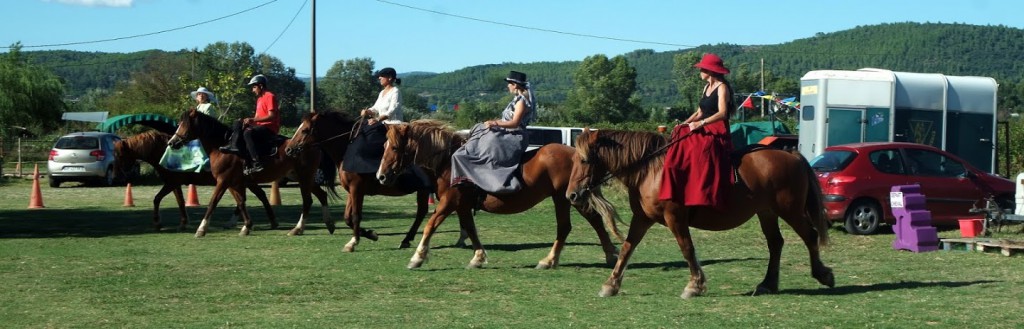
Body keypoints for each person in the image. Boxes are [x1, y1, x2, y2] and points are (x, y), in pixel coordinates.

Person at [659, 53, 735, 211]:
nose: (700, 71)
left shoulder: (722, 87)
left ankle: (700, 192)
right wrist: (684, 124)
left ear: (710, 71)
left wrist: (701, 123)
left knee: (696, 148)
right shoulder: (707, 87)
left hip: (716, 129)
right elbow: (700, 111)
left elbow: (723, 113)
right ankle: (677, 185)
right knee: (679, 135)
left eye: (702, 69)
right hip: (702, 125)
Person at [449, 70, 536, 194]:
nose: (508, 86)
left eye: (509, 83)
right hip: (508, 132)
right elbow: (507, 119)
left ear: (515, 85)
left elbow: (514, 123)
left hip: (514, 136)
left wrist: (495, 123)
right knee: (480, 128)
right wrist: (493, 122)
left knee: (489, 142)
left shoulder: (521, 102)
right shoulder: (517, 100)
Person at [219, 74, 280, 175]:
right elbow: (256, 118)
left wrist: (252, 120)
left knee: (248, 133)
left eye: (254, 87)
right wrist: (246, 122)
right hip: (260, 127)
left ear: (261, 86)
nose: (253, 90)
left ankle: (257, 163)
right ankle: (235, 148)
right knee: (238, 124)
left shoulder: (270, 96)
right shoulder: (259, 99)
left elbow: (272, 116)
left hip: (269, 128)